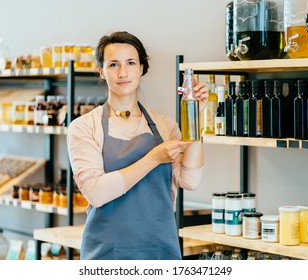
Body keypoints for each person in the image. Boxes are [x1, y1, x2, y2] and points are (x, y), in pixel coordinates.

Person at [67, 31, 208, 260]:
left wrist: (197, 117)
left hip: (161, 251)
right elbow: (96, 192)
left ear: (141, 68)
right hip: (106, 254)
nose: (123, 73)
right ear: (101, 72)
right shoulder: (84, 127)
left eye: (131, 63)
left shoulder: (165, 125)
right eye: (113, 65)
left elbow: (189, 180)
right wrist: (153, 158)